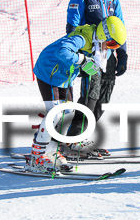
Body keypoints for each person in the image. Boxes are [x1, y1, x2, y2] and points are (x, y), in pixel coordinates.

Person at [30, 16, 127, 173]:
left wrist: (91, 71)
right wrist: (82, 60)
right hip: (49, 72)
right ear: (104, 34)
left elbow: (92, 66)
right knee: (54, 114)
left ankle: (51, 151)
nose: (110, 48)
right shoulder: (83, 37)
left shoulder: (100, 47)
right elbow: (62, 51)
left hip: (65, 77)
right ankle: (36, 157)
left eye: (114, 46)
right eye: (110, 43)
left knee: (67, 114)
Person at [64, 0, 128, 157]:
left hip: (108, 54)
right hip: (89, 56)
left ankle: (84, 137)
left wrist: (122, 53)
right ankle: (73, 140)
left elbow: (120, 27)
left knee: (103, 98)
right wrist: (80, 54)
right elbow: (71, 28)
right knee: (89, 96)